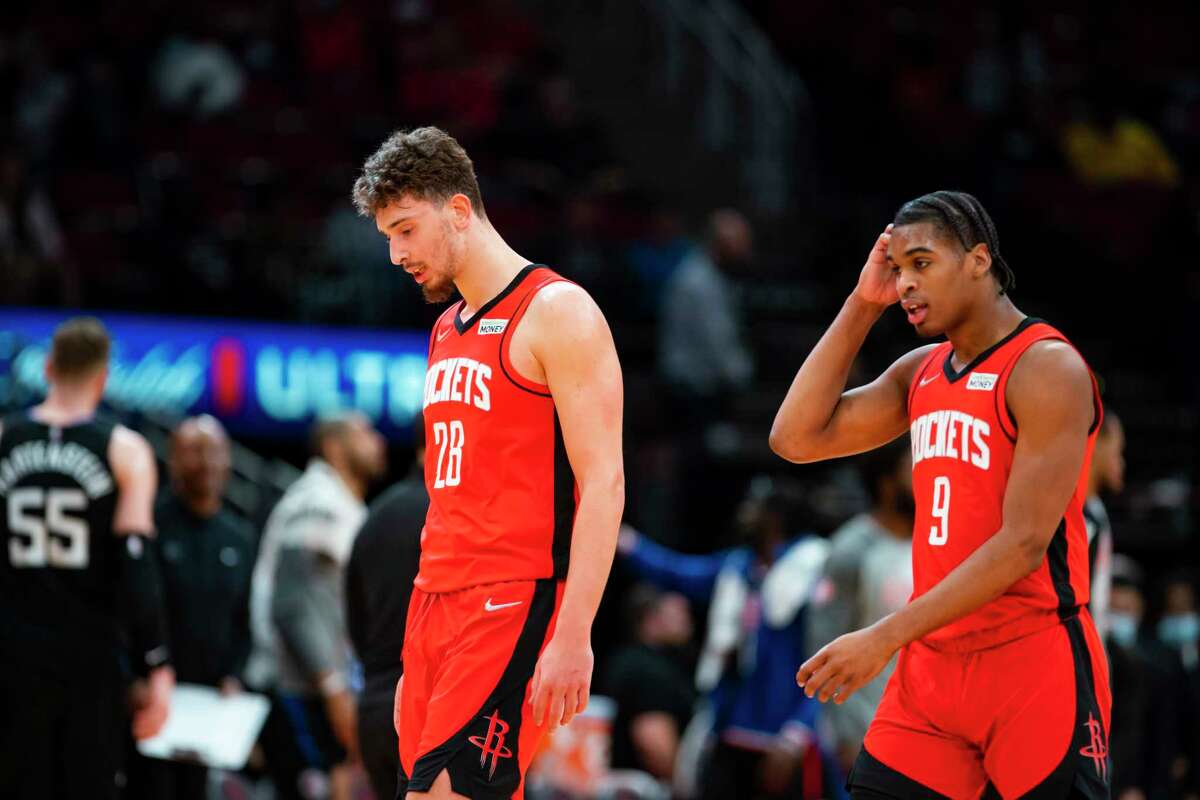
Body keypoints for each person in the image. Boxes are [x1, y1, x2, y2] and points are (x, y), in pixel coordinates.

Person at [772, 190, 1110, 798]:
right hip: (931, 671)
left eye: (921, 263)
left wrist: (883, 636)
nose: (904, 283)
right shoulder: (922, 370)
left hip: (1031, 659)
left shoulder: (1046, 368)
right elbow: (794, 437)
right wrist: (860, 304)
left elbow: (1023, 546)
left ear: (979, 260)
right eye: (897, 269)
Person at [353, 125, 624, 800]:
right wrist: (417, 659)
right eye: (388, 235)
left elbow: (605, 483)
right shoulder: (447, 327)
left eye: (406, 230)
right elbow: (450, 495)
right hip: (433, 606)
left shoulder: (558, 312)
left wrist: (574, 634)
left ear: (459, 211)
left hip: (510, 598)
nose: (395, 254)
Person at [0, 316, 173, 799]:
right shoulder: (125, 450)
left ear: (49, 368)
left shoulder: (3, 438)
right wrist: (156, 665)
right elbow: (137, 565)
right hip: (91, 658)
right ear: (103, 377)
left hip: (12, 655)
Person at [619, 478, 830, 800]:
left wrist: (799, 731)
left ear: (777, 517)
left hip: (788, 733)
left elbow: (829, 659)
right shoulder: (737, 568)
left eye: (754, 506)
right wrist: (626, 542)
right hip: (730, 728)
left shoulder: (814, 569)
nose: (745, 513)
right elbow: (676, 572)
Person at [248, 411, 386, 799]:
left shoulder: (339, 501)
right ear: (333, 447)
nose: (377, 441)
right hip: (299, 688)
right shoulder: (316, 501)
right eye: (364, 432)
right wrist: (334, 689)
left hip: (314, 687)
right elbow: (294, 606)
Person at [128, 414, 254, 800]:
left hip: (209, 710)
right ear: (173, 460)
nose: (207, 463)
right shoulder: (149, 524)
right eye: (195, 452)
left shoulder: (239, 535)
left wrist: (235, 674)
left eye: (215, 452)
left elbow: (245, 621)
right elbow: (130, 609)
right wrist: (136, 678)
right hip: (152, 700)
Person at [808, 441, 914, 776]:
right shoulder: (851, 549)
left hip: (931, 727)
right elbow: (822, 649)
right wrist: (847, 735)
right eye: (914, 466)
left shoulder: (937, 542)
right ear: (886, 482)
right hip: (870, 730)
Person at [345, 415, 428, 800]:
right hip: (427, 708)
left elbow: (355, 622)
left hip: (374, 707)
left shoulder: (374, 516)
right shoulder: (458, 515)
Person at [600, 584, 695, 782]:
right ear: (652, 620)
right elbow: (654, 743)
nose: (687, 618)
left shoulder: (622, 660)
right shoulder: (649, 670)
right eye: (678, 612)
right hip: (644, 787)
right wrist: (685, 787)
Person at [1085, 411, 1124, 639]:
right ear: (1097, 442)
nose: (1121, 462)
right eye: (1117, 451)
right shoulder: (1076, 515)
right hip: (1078, 652)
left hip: (1095, 646)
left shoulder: (1096, 509)